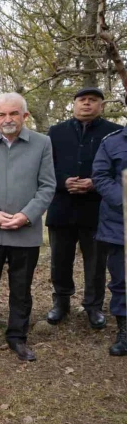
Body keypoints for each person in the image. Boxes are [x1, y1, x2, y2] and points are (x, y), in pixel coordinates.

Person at [0, 92, 55, 362]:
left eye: (14, 113)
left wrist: (26, 215)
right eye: (2, 114)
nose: (7, 119)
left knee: (21, 289)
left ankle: (17, 337)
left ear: (24, 115)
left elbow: (47, 185)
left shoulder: (42, 143)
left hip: (25, 231)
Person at [45, 87, 121, 328]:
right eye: (82, 100)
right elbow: (45, 167)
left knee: (96, 262)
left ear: (101, 105)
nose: (87, 103)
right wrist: (63, 181)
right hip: (61, 207)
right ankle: (61, 302)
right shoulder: (56, 132)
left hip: (97, 209)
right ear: (74, 104)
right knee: (60, 260)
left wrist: (94, 183)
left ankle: (93, 306)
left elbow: (118, 171)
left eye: (93, 100)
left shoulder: (113, 133)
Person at [92, 124, 127, 356]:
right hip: (120, 225)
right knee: (122, 281)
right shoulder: (112, 142)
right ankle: (125, 332)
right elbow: (101, 176)